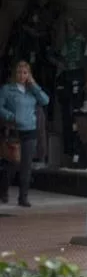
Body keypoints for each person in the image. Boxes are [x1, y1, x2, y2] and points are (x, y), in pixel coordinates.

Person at [0, 60, 50, 207]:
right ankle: (3, 189)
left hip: (30, 130)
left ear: (29, 74)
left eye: (25, 73)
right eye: (19, 72)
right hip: (14, 130)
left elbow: (45, 100)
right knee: (12, 164)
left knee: (26, 165)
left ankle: (23, 197)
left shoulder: (31, 89)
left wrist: (34, 85)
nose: (22, 75)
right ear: (14, 74)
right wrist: (10, 116)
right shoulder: (7, 89)